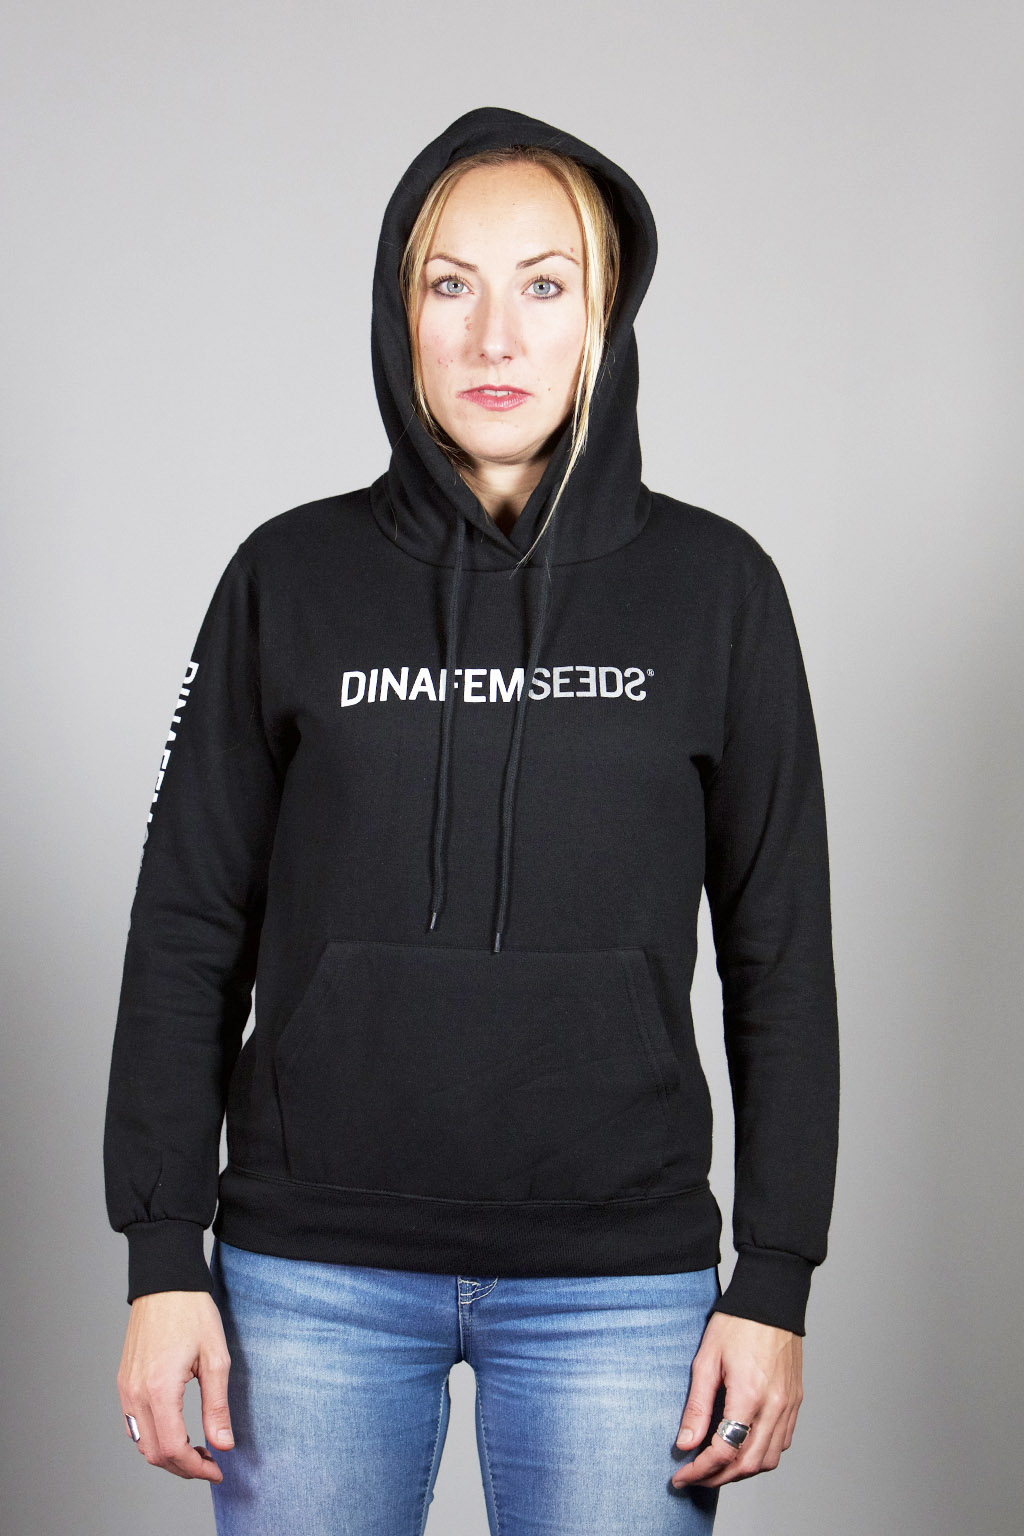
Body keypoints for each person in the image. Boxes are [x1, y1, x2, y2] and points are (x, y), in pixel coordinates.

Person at [104, 105, 840, 1535]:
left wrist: (775, 1279)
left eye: (545, 285)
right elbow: (185, 922)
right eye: (453, 284)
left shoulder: (719, 590)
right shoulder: (285, 577)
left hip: (622, 1285)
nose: (496, 336)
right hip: (305, 1275)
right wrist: (161, 1252)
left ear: (604, 318)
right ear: (402, 313)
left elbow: (783, 958)